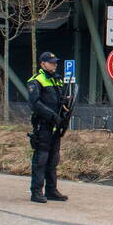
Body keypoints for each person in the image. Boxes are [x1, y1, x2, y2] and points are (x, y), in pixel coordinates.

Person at [27, 52, 70, 203]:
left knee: (53, 158)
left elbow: (60, 101)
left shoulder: (57, 80)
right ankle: (37, 191)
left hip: (56, 125)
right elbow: (35, 104)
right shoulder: (36, 81)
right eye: (51, 62)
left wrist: (65, 106)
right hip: (43, 124)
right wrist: (52, 116)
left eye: (55, 62)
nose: (54, 64)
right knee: (41, 158)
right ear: (42, 64)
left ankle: (51, 190)